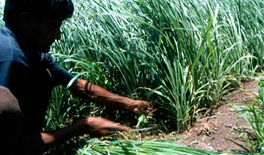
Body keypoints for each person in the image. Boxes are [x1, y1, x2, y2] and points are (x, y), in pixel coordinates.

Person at [0, 0, 152, 154]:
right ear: (26, 22)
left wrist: (129, 104)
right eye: (52, 27)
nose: (58, 36)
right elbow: (19, 146)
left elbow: (78, 85)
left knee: (44, 75)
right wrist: (80, 128)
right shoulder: (11, 58)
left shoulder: (34, 52)